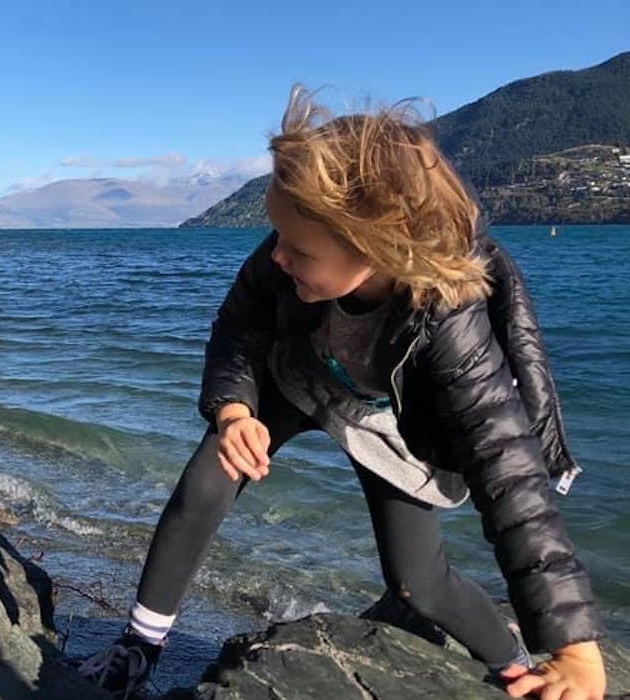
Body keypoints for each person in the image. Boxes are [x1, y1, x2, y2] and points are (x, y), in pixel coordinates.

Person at [72, 86, 606, 699]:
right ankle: (139, 645)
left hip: (390, 420)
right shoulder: (286, 252)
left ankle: (515, 659)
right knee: (210, 475)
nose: (277, 256)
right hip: (299, 374)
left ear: (380, 247)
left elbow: (511, 479)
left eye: (298, 250)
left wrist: (576, 649)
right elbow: (239, 328)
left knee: (418, 582)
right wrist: (235, 409)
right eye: (276, 237)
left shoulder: (449, 319)